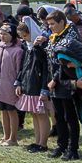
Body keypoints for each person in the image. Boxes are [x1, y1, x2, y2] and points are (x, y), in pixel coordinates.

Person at [41, 10, 81, 160]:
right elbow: (50, 60)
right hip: (55, 83)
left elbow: (65, 63)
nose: (50, 27)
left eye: (52, 24)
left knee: (70, 116)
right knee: (58, 116)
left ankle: (73, 148)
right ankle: (61, 145)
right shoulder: (54, 37)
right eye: (49, 24)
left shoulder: (70, 36)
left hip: (66, 81)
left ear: (62, 22)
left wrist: (55, 79)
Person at [14, 22, 52, 152]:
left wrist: (44, 89)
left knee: (41, 114)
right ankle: (37, 141)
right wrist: (19, 82)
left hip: (39, 85)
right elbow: (23, 66)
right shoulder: (27, 46)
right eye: (21, 36)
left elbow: (46, 69)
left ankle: (43, 144)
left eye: (25, 36)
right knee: (34, 114)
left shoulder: (42, 47)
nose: (23, 39)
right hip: (29, 84)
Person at [0, 23, 25, 146]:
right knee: (3, 111)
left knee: (12, 111)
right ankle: (5, 136)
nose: (2, 36)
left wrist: (18, 85)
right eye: (0, 33)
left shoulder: (18, 51)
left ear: (12, 35)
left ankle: (13, 138)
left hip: (10, 87)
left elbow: (19, 71)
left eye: (5, 34)